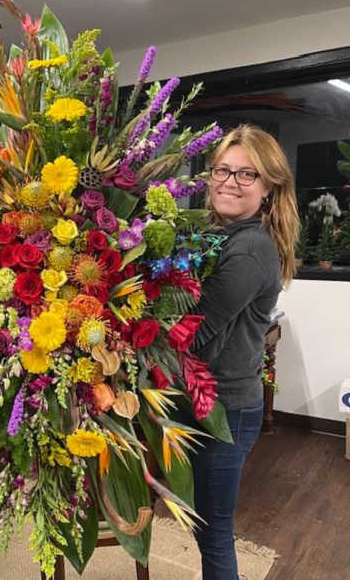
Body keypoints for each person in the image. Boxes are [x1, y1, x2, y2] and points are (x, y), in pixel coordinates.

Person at [190, 124, 299, 580]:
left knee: (214, 532)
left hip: (226, 409)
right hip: (206, 402)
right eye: (222, 170)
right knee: (202, 525)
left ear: (269, 187)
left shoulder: (251, 247)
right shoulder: (226, 236)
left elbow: (195, 333)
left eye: (246, 174)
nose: (229, 182)